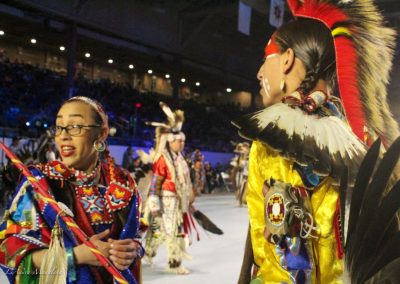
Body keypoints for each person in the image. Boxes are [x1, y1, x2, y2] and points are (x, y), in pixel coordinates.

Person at [233, 0, 399, 283]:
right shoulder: (360, 140)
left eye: (266, 58)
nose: (260, 73)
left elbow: (278, 255)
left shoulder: (276, 138)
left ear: (287, 60)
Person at [0, 96, 143, 283]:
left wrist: (133, 249)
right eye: (59, 127)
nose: (63, 135)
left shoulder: (122, 183)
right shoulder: (38, 184)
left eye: (75, 126)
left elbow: (137, 236)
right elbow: (9, 252)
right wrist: (76, 255)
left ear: (101, 134)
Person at [144, 102, 195, 275]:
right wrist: (154, 203)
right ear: (170, 141)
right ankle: (174, 263)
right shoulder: (163, 159)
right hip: (166, 199)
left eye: (183, 141)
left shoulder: (180, 158)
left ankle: (148, 252)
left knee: (163, 229)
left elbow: (185, 180)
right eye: (178, 141)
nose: (181, 144)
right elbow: (156, 182)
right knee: (171, 230)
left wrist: (189, 195)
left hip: (178, 200)